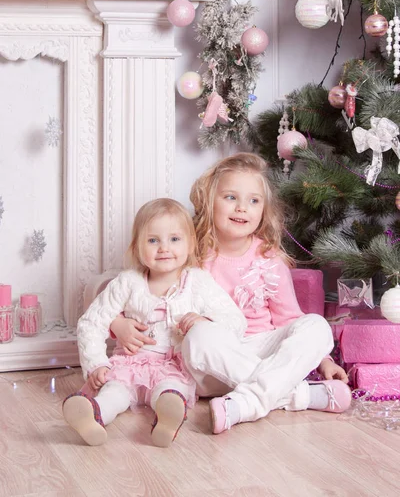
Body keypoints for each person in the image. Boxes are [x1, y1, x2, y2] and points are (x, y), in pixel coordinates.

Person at [110, 153, 351, 435]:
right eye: (230, 197)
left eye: (253, 200)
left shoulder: (269, 260)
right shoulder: (189, 252)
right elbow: (137, 288)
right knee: (200, 336)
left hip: (261, 351)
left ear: (264, 210)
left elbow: (289, 320)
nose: (242, 208)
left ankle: (247, 402)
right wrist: (117, 324)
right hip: (210, 365)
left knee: (317, 326)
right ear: (209, 200)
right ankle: (298, 394)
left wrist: (323, 359)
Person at [62, 198, 246, 447]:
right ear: (137, 247)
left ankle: (167, 420)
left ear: (190, 244)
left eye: (174, 239)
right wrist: (96, 364)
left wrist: (205, 321)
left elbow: (235, 320)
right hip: (130, 362)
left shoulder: (198, 282)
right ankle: (94, 415)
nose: (164, 248)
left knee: (170, 389)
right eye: (153, 240)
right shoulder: (127, 282)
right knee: (115, 390)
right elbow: (91, 322)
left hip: (174, 365)